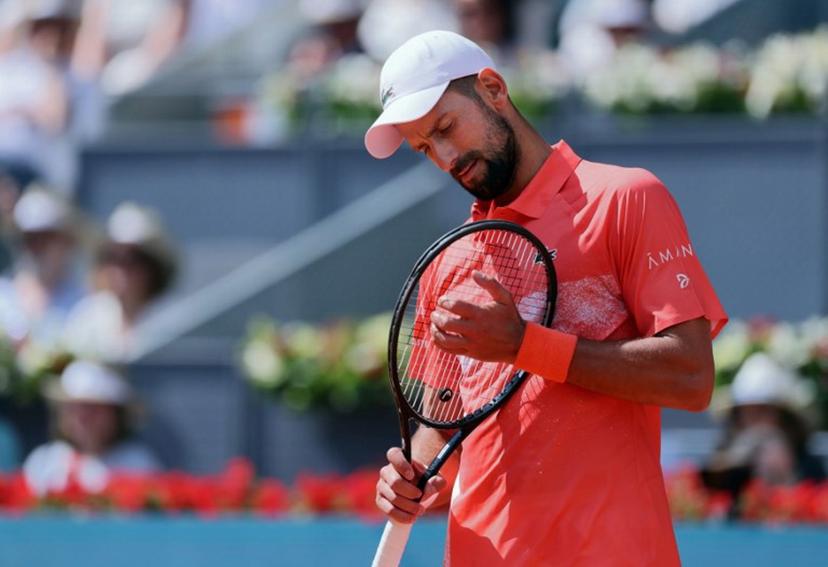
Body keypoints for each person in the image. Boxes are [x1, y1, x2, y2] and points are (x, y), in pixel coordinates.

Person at [365, 31, 727, 565]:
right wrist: (415, 474)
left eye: (445, 127)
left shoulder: (627, 199)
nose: (444, 157)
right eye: (424, 148)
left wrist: (524, 345)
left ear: (493, 88)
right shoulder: (449, 262)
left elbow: (691, 377)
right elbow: (444, 423)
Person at [23, 359, 161, 496]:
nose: (82, 417)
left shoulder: (137, 463)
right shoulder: (44, 461)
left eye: (93, 409)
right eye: (73, 409)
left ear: (115, 415)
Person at [63, 202, 177, 362]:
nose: (121, 268)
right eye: (113, 257)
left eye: (133, 259)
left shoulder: (170, 320)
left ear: (152, 267)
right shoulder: (88, 319)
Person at [702, 352, 825, 501]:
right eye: (748, 412)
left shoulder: (807, 461)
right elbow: (710, 495)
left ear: (782, 417)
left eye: (762, 411)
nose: (756, 421)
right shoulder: (726, 456)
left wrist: (785, 474)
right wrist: (735, 460)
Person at [0, 185, 85, 347]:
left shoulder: (85, 303)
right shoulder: (2, 297)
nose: (36, 248)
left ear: (68, 241)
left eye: (46, 238)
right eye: (29, 239)